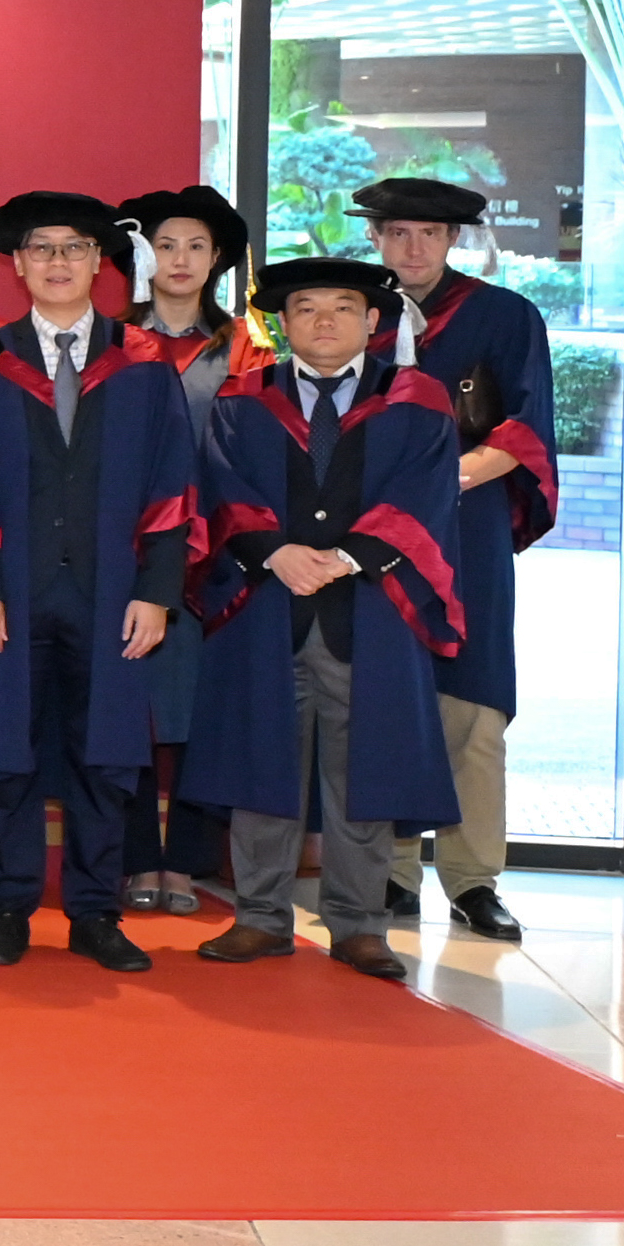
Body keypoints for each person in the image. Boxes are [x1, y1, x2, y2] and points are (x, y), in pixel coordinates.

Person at [0, 190, 194, 974]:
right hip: (7, 588)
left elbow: (172, 485)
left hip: (115, 592)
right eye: (39, 249)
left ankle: (92, 910)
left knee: (104, 753)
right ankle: (7, 902)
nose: (55, 263)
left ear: (96, 264)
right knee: (3, 747)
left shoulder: (143, 361)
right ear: (15, 263)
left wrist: (157, 591)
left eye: (72, 249)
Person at [186, 256, 465, 984]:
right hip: (265, 606)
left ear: (372, 322)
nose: (323, 321)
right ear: (281, 322)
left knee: (361, 771)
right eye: (305, 308)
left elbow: (424, 493)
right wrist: (275, 551)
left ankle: (359, 924)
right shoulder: (243, 397)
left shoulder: (414, 399)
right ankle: (258, 917)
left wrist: (344, 556)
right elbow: (219, 485)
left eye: (341, 308)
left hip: (370, 609)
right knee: (261, 762)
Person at [358, 174, 553, 944]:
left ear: (451, 240)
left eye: (429, 235)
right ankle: (392, 872)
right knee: (384, 699)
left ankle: (473, 879)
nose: (413, 247)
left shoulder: (504, 316)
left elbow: (528, 423)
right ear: (374, 238)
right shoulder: (350, 312)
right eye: (397, 232)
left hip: (465, 530)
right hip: (371, 533)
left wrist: (445, 479)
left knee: (471, 706)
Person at [117, 185, 253, 914]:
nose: (179, 259)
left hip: (223, 554)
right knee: (129, 706)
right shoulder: (109, 339)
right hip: (126, 550)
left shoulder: (247, 345)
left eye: (196, 246)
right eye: (164, 244)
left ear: (217, 259)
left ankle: (193, 859)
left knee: (206, 710)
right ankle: (139, 856)